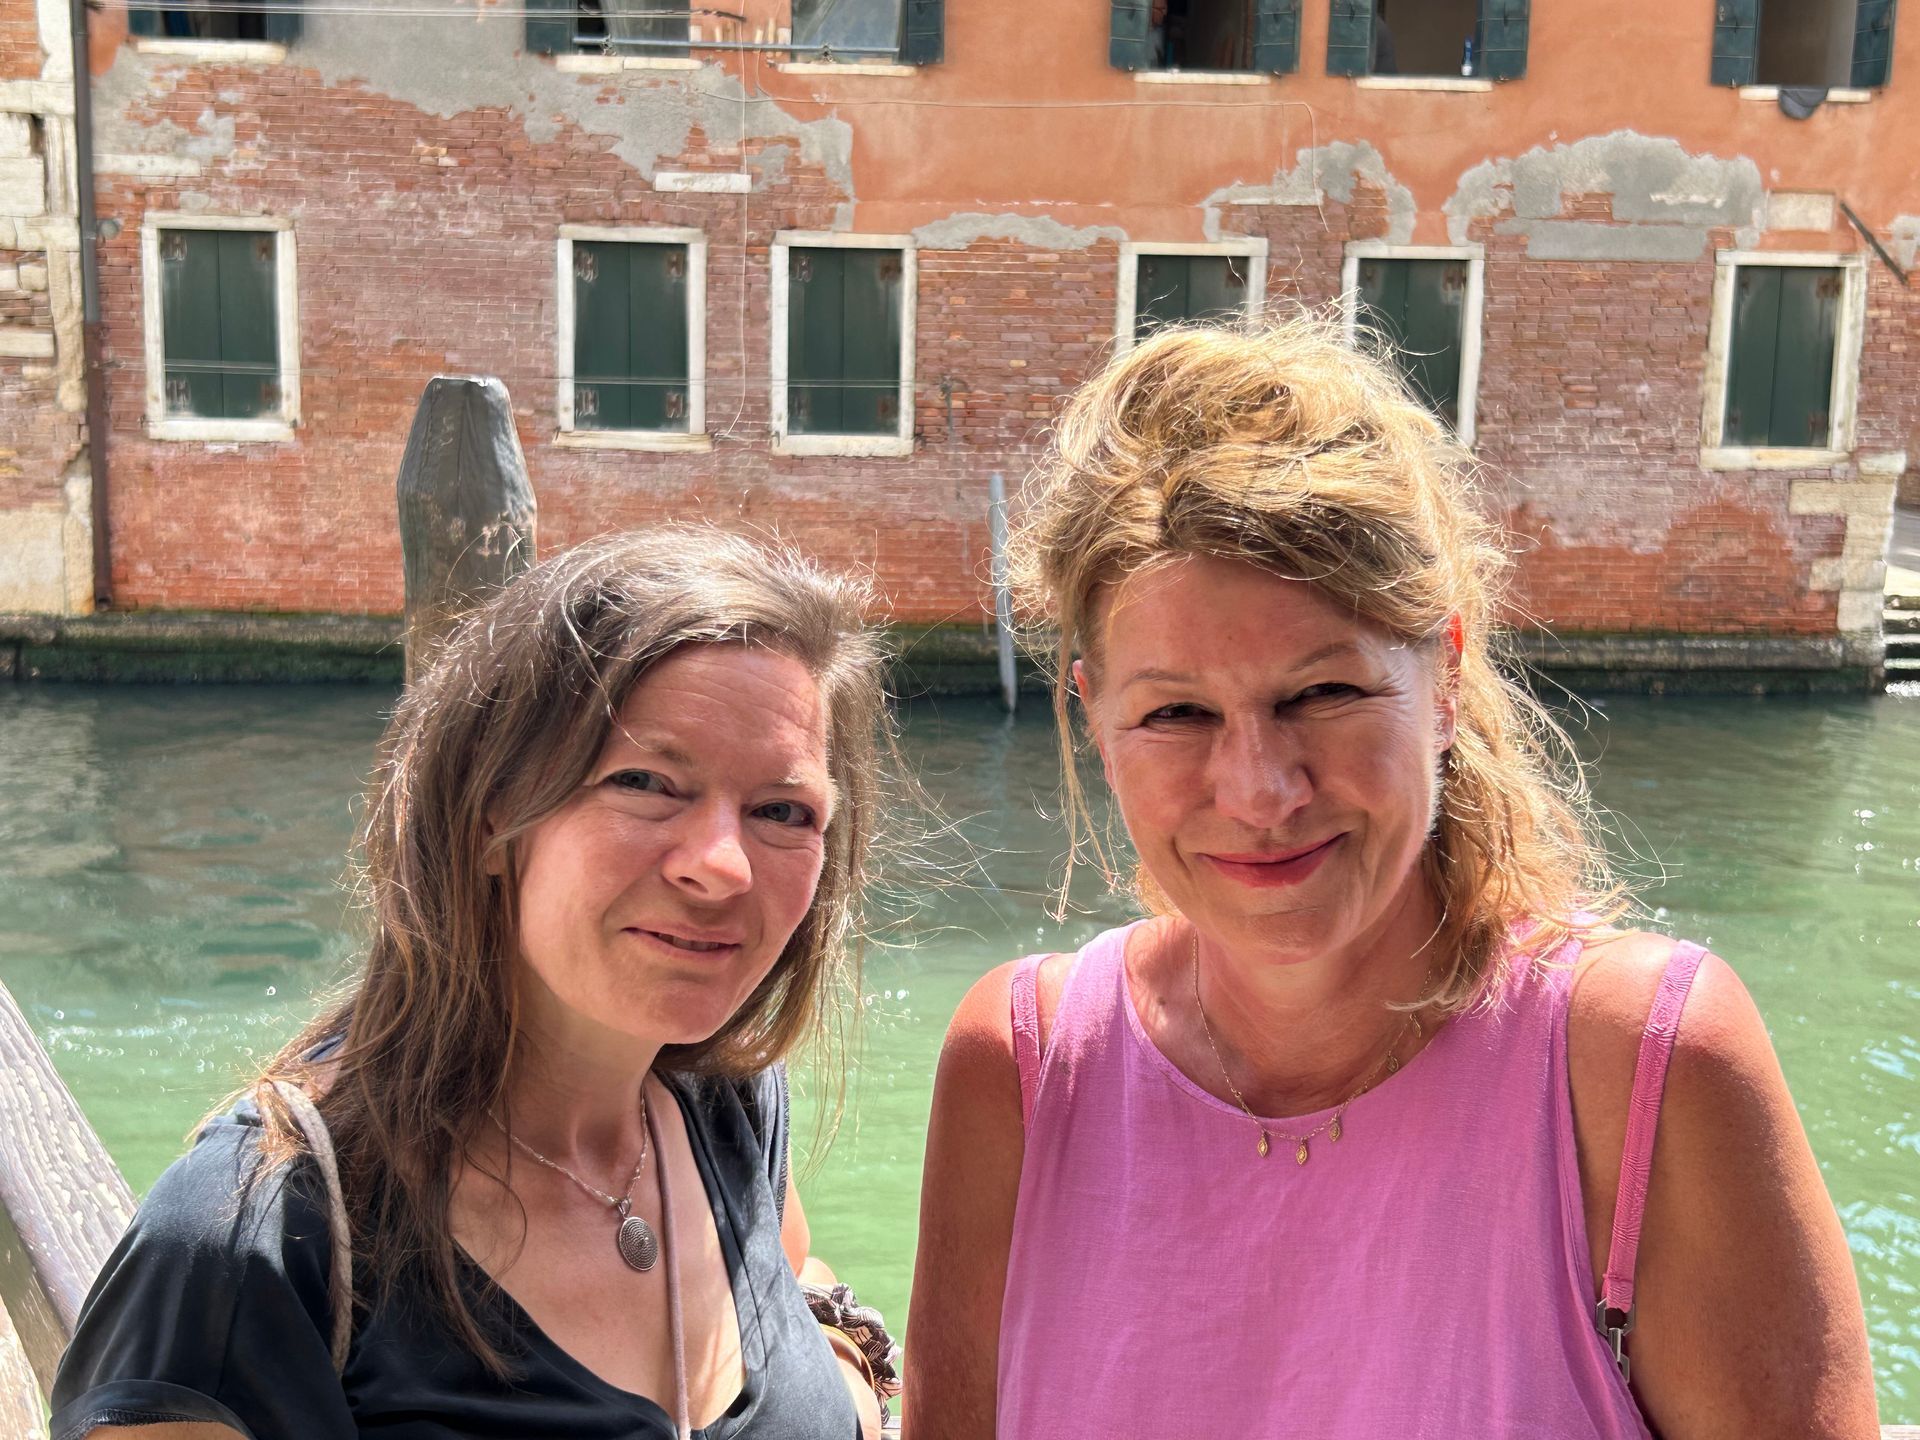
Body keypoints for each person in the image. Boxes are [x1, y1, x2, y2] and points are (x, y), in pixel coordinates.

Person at [906, 320, 1880, 1437]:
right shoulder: (1019, 1075)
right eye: (1176, 713)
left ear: (1447, 681)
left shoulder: (1645, 1068)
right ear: (1094, 716)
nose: (1260, 790)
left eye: (1324, 694)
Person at [53, 528, 899, 1440]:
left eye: (783, 810)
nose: (722, 865)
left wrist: (849, 1362)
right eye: (648, 782)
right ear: (491, 817)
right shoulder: (250, 1248)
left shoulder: (728, 1100)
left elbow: (793, 1281)